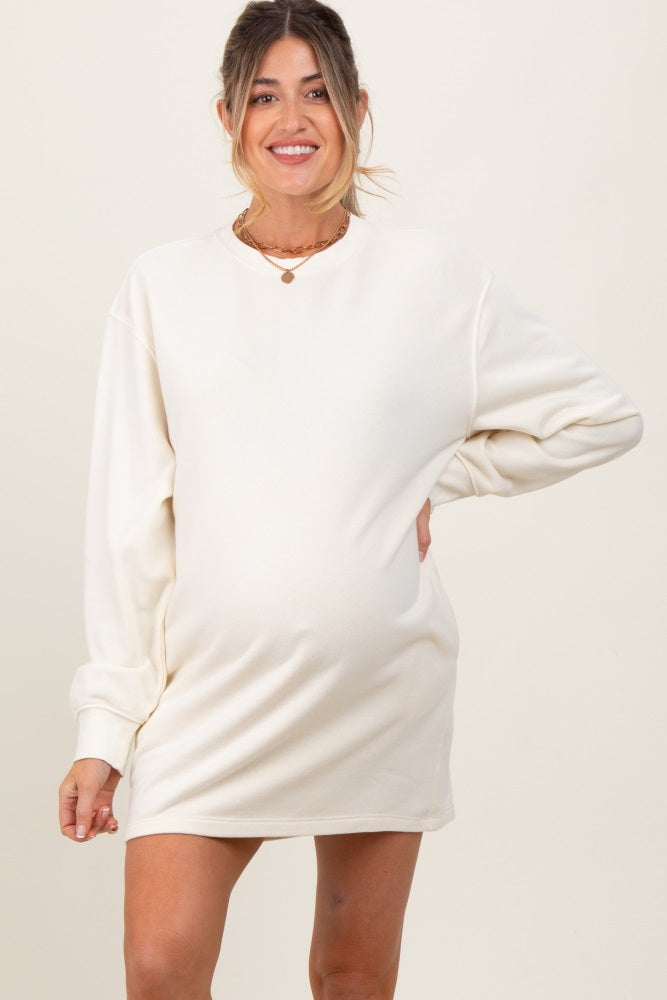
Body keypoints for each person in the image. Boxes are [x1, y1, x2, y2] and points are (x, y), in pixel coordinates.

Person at [57, 1, 643, 998]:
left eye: (317, 93)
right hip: (209, 698)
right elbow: (128, 526)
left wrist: (439, 473)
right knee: (160, 968)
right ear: (228, 117)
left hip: (377, 696)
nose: (293, 120)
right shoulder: (163, 288)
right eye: (264, 97)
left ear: (357, 109)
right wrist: (105, 730)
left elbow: (601, 415)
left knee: (351, 975)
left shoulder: (434, 281)